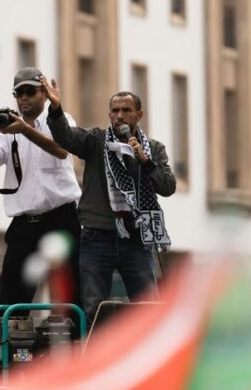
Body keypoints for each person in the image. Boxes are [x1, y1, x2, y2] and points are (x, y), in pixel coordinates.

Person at [42, 78, 176, 319]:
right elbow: (66, 137)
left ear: (139, 114)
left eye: (126, 110)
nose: (120, 116)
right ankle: (94, 353)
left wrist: (145, 162)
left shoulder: (153, 149)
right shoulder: (96, 141)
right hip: (97, 236)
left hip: (136, 238)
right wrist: (55, 108)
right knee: (94, 308)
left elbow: (167, 187)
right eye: (115, 111)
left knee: (147, 308)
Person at [0, 67, 82, 309]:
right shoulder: (8, 127)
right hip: (25, 222)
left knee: (74, 291)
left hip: (61, 218)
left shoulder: (60, 121)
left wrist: (25, 130)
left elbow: (61, 149)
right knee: (12, 295)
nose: (23, 98)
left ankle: (78, 343)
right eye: (18, 93)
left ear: (44, 95)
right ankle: (16, 345)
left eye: (30, 92)